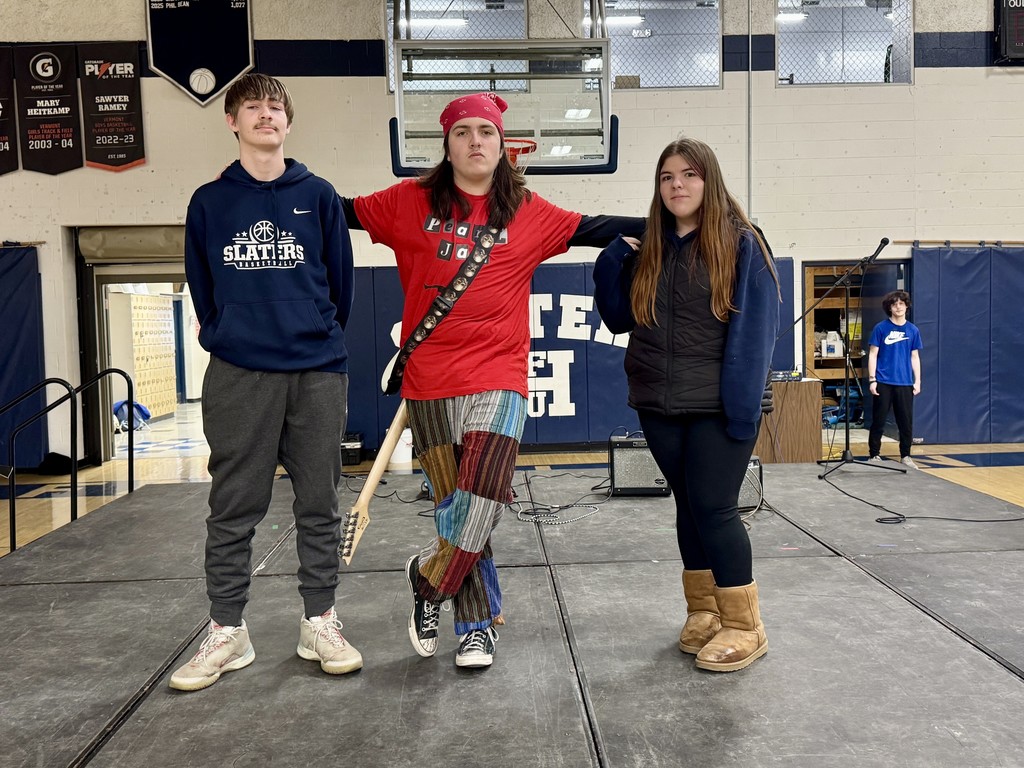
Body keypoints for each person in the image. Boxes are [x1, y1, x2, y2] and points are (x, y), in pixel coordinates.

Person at [341, 92, 643, 669]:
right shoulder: (408, 202)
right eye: (463, 132)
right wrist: (277, 182)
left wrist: (685, 220)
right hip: (428, 380)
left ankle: (428, 581)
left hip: (499, 374)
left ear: (504, 144)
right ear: (447, 143)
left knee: (483, 495)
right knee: (456, 502)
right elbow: (341, 210)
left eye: (486, 130)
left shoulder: (528, 211)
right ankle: (476, 624)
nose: (475, 140)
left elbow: (598, 226)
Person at [172, 73, 359, 691]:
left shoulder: (321, 195)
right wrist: (224, 334)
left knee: (319, 504)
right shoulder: (209, 202)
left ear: (287, 120)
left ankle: (320, 621)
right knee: (233, 509)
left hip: (314, 371)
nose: (265, 116)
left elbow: (342, 285)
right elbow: (203, 286)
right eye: (252, 107)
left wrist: (316, 334)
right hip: (240, 372)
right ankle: (228, 631)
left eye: (274, 107)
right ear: (232, 121)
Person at [592, 138, 780, 672]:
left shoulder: (743, 243)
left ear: (709, 180)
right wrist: (613, 259)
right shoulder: (649, 246)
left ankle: (745, 624)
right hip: (659, 403)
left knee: (716, 508)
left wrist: (744, 409)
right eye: (667, 176)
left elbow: (755, 333)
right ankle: (704, 612)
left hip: (721, 408)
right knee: (687, 505)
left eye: (689, 174)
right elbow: (618, 319)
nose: (677, 184)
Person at [866, 290, 922, 468]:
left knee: (905, 422)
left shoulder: (913, 330)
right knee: (879, 420)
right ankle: (874, 454)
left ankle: (906, 455)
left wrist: (917, 381)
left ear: (906, 306)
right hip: (883, 382)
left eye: (901, 303)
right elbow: (873, 355)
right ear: (889, 308)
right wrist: (872, 379)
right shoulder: (880, 328)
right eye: (894, 304)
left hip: (905, 383)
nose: (898, 307)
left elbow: (915, 357)